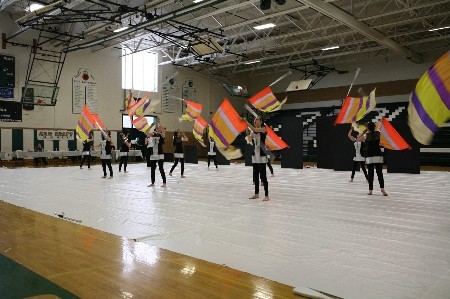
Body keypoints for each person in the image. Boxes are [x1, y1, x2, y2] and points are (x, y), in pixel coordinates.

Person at [245, 116, 269, 201]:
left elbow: (255, 130)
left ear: (261, 121)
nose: (255, 120)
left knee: (263, 176)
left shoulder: (264, 129)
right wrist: (248, 134)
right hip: (255, 154)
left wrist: (246, 123)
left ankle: (266, 195)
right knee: (256, 175)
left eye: (257, 119)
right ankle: (256, 193)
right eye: (255, 119)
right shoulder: (252, 131)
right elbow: (249, 139)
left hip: (262, 155)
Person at [360, 122, 387, 196]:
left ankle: (370, 190)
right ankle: (382, 189)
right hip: (378, 155)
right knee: (380, 173)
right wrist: (381, 121)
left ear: (368, 128)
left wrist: (365, 131)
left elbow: (359, 138)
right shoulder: (378, 133)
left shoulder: (365, 135)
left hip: (370, 156)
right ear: (374, 127)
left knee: (370, 174)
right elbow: (380, 127)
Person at [147, 122, 167, 188]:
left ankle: (164, 183)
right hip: (153, 153)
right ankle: (152, 182)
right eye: (158, 127)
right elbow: (146, 133)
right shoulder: (153, 134)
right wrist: (150, 126)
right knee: (152, 169)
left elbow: (163, 132)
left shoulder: (162, 135)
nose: (158, 128)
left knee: (161, 168)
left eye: (159, 127)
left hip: (160, 153)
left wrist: (161, 125)